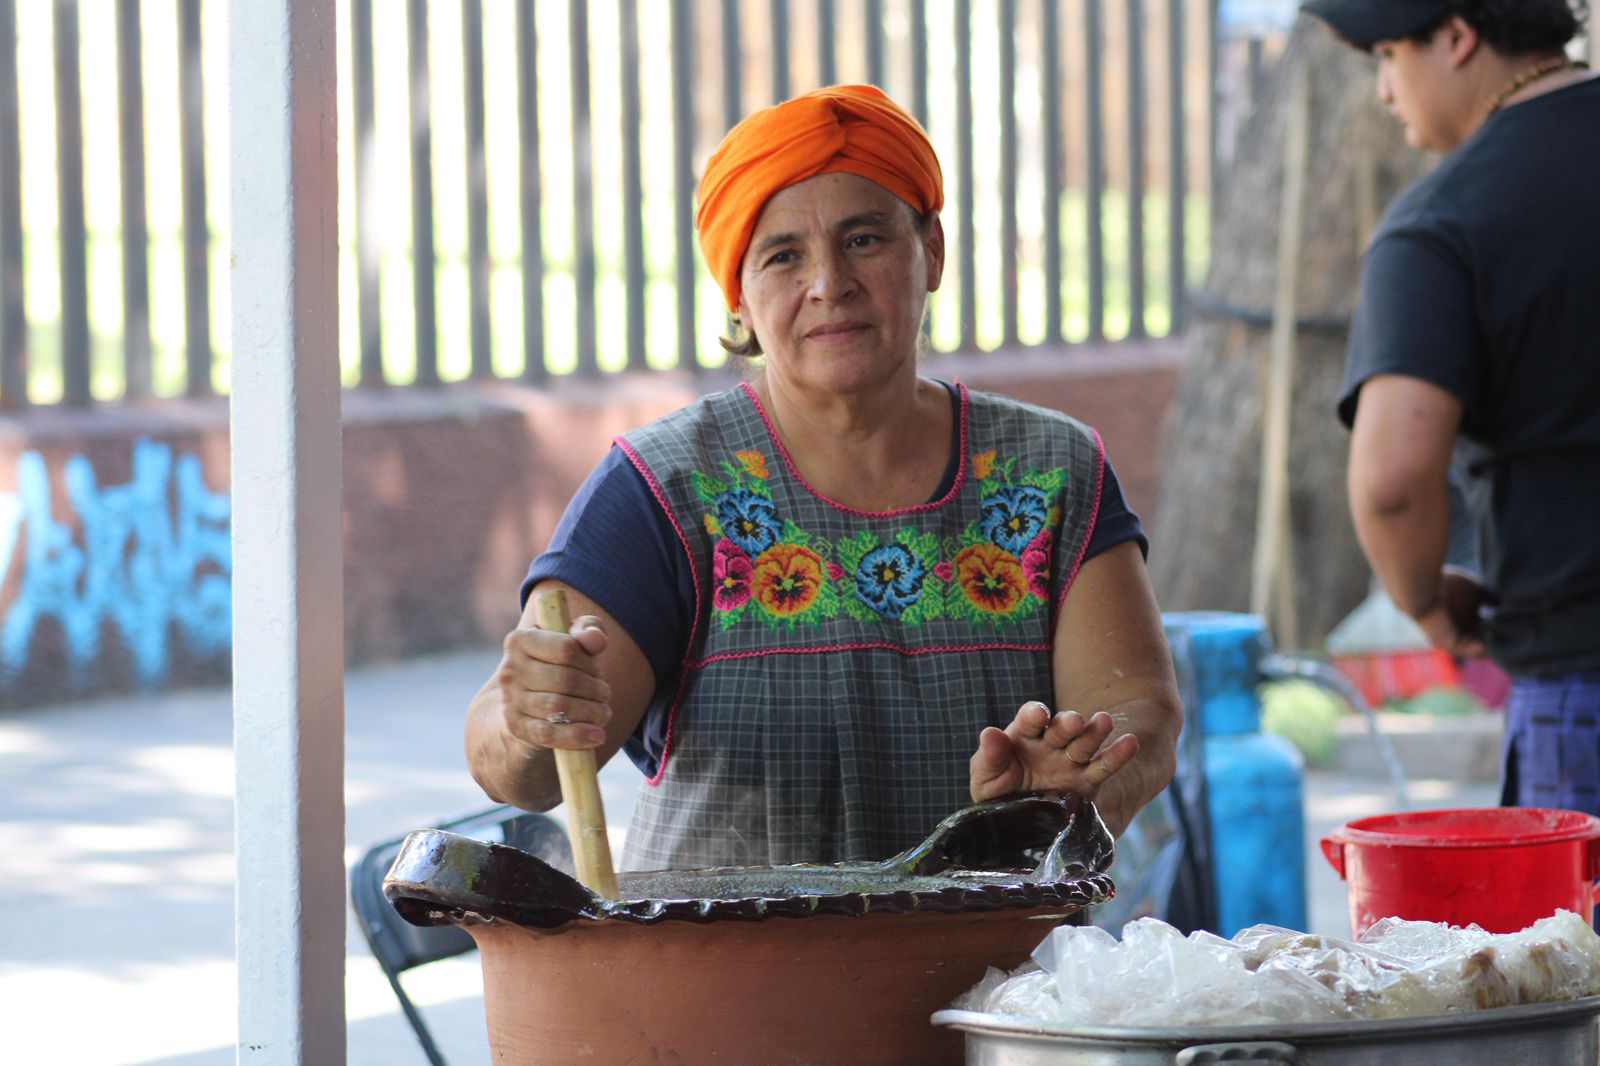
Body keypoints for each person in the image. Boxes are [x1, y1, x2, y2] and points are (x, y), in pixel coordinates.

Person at [466, 85, 1182, 870]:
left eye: (865, 239)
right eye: (782, 256)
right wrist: (527, 714)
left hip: (1006, 984)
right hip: (726, 981)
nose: (828, 283)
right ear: (738, 296)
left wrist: (1074, 787)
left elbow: (1140, 712)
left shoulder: (1053, 472)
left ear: (931, 249)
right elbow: (526, 768)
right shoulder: (664, 488)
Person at [1302, 0, 1600, 813]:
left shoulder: (1444, 224)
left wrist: (1429, 604)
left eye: (1390, 56)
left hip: (1581, 681)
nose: (1384, 92)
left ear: (1458, 37)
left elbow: (1393, 481)